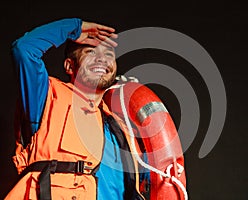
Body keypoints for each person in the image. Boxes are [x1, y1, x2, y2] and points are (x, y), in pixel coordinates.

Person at [5, 18, 187, 200]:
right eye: (91, 52)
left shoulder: (122, 130)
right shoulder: (46, 97)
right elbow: (24, 49)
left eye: (109, 55)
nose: (102, 59)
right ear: (69, 65)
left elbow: (155, 179)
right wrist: (74, 28)